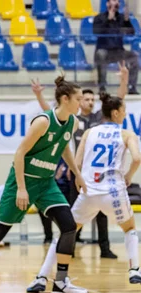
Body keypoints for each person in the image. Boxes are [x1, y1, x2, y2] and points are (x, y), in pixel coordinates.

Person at [0, 75, 89, 293]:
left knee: (68, 226)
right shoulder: (43, 122)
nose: (81, 103)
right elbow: (19, 153)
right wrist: (21, 188)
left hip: (46, 182)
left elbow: (64, 146)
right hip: (22, 181)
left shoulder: (73, 122)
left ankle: (60, 283)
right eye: (78, 99)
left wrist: (77, 174)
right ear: (65, 99)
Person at [29, 93, 141, 292]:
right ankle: (134, 270)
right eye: (123, 111)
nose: (125, 114)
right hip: (113, 192)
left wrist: (80, 181)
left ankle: (41, 276)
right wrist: (128, 175)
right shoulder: (126, 134)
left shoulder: (89, 133)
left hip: (89, 192)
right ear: (115, 113)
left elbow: (77, 163)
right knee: (130, 228)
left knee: (67, 232)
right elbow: (137, 158)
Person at [31, 64, 128, 257]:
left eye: (93, 99)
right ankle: (70, 246)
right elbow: (49, 114)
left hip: (97, 174)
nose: (91, 102)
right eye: (87, 99)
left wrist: (124, 80)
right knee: (75, 212)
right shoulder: (72, 119)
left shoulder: (98, 119)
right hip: (77, 172)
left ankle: (105, 248)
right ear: (79, 101)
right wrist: (39, 96)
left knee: (99, 214)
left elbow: (118, 102)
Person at [93, 0, 138, 94]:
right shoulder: (99, 17)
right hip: (104, 50)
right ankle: (102, 88)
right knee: (100, 55)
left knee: (134, 56)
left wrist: (127, 21)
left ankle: (131, 87)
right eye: (113, 1)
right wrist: (108, 19)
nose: (116, 3)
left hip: (118, 51)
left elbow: (131, 33)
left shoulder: (121, 18)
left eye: (117, 1)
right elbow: (96, 32)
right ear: (107, 4)